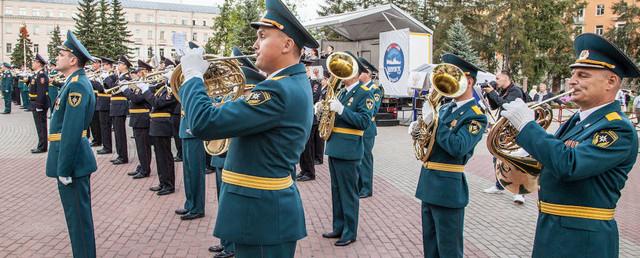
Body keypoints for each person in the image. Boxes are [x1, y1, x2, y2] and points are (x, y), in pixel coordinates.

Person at [179, 0, 318, 255]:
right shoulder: (287, 85)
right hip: (259, 213)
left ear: (287, 44)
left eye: (262, 36)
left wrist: (193, 77)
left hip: (261, 216)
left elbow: (203, 123)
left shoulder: (278, 90)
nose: (254, 45)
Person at [501, 33, 639, 258]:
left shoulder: (617, 128)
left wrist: (527, 126)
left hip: (583, 241)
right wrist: (523, 150)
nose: (572, 81)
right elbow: (554, 157)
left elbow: (569, 165)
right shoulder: (579, 119)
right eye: (573, 74)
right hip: (552, 230)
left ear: (611, 82)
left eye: (582, 75)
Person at [409, 53, 487, 258]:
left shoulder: (476, 114)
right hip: (428, 184)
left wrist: (433, 121)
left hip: (448, 188)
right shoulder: (444, 108)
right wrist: (418, 131)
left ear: (469, 81)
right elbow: (430, 142)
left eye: (455, 77)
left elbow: (458, 147)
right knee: (431, 248)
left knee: (449, 250)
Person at [47, 30, 98, 258]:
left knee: (78, 221)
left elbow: (71, 131)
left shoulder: (77, 85)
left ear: (73, 59)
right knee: (76, 221)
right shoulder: (72, 83)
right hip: (72, 160)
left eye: (61, 53)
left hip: (72, 163)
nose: (57, 57)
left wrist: (64, 168)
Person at [318, 51, 373, 247]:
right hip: (335, 146)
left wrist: (342, 110)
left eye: (350, 70)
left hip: (349, 149)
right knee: (336, 191)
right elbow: (331, 118)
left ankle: (350, 231)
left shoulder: (365, 93)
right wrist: (322, 110)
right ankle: (339, 226)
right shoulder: (341, 92)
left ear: (357, 72)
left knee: (348, 192)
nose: (344, 74)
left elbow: (364, 121)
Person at [481, 70, 527, 204]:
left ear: (506, 79)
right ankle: (499, 185)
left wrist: (492, 92)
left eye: (498, 78)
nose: (496, 81)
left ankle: (520, 193)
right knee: (497, 157)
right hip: (504, 130)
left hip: (515, 131)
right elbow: (495, 105)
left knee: (515, 160)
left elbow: (506, 105)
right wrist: (490, 94)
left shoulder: (515, 91)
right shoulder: (503, 91)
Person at [144, 82, 177, 196]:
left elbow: (157, 103)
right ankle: (163, 182)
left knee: (165, 156)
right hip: (157, 125)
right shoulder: (162, 89)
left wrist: (145, 91)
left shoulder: (171, 90)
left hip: (163, 125)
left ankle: (169, 185)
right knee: (159, 157)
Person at [122, 60, 153, 179]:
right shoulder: (140, 83)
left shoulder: (147, 85)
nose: (138, 73)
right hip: (137, 118)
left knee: (143, 145)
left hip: (142, 118)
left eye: (140, 71)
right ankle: (142, 166)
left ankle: (145, 169)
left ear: (146, 72)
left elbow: (136, 99)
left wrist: (125, 90)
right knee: (139, 145)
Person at [356, 57, 382, 198]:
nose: (358, 75)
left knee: (365, 158)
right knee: (358, 157)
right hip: (358, 127)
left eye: (361, 72)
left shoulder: (375, 90)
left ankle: (366, 188)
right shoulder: (359, 89)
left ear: (368, 73)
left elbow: (373, 109)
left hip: (367, 129)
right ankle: (359, 185)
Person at [297, 58, 317, 182]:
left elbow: (314, 97)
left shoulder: (314, 83)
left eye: (305, 67)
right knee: (302, 148)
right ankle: (303, 170)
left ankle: (310, 172)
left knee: (308, 148)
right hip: (302, 119)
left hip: (310, 119)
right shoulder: (301, 81)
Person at [109, 56, 132, 165]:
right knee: (117, 133)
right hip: (115, 106)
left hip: (120, 106)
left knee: (120, 133)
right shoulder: (120, 76)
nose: (118, 66)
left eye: (120, 64)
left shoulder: (126, 77)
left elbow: (114, 88)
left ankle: (123, 156)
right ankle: (120, 154)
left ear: (125, 66)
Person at [29, 54, 50, 153]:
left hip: (39, 104)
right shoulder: (36, 74)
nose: (32, 64)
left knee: (41, 126)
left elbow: (41, 92)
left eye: (34, 62)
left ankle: (42, 147)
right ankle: (41, 145)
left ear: (38, 63)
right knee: (39, 126)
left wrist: (39, 105)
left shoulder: (41, 75)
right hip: (35, 103)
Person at [96, 57, 116, 155]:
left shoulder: (112, 76)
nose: (103, 67)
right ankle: (105, 145)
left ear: (109, 66)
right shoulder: (104, 75)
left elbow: (107, 88)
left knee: (105, 126)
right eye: (103, 65)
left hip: (106, 102)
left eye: (105, 65)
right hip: (101, 102)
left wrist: (99, 81)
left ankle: (107, 147)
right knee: (103, 126)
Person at [88, 59, 103, 147]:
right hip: (91, 97)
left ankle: (98, 139)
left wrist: (91, 81)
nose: (93, 65)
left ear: (99, 64)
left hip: (98, 98)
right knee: (92, 121)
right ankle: (95, 138)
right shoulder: (91, 73)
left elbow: (100, 87)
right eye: (92, 63)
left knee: (96, 121)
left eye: (95, 63)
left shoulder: (101, 74)